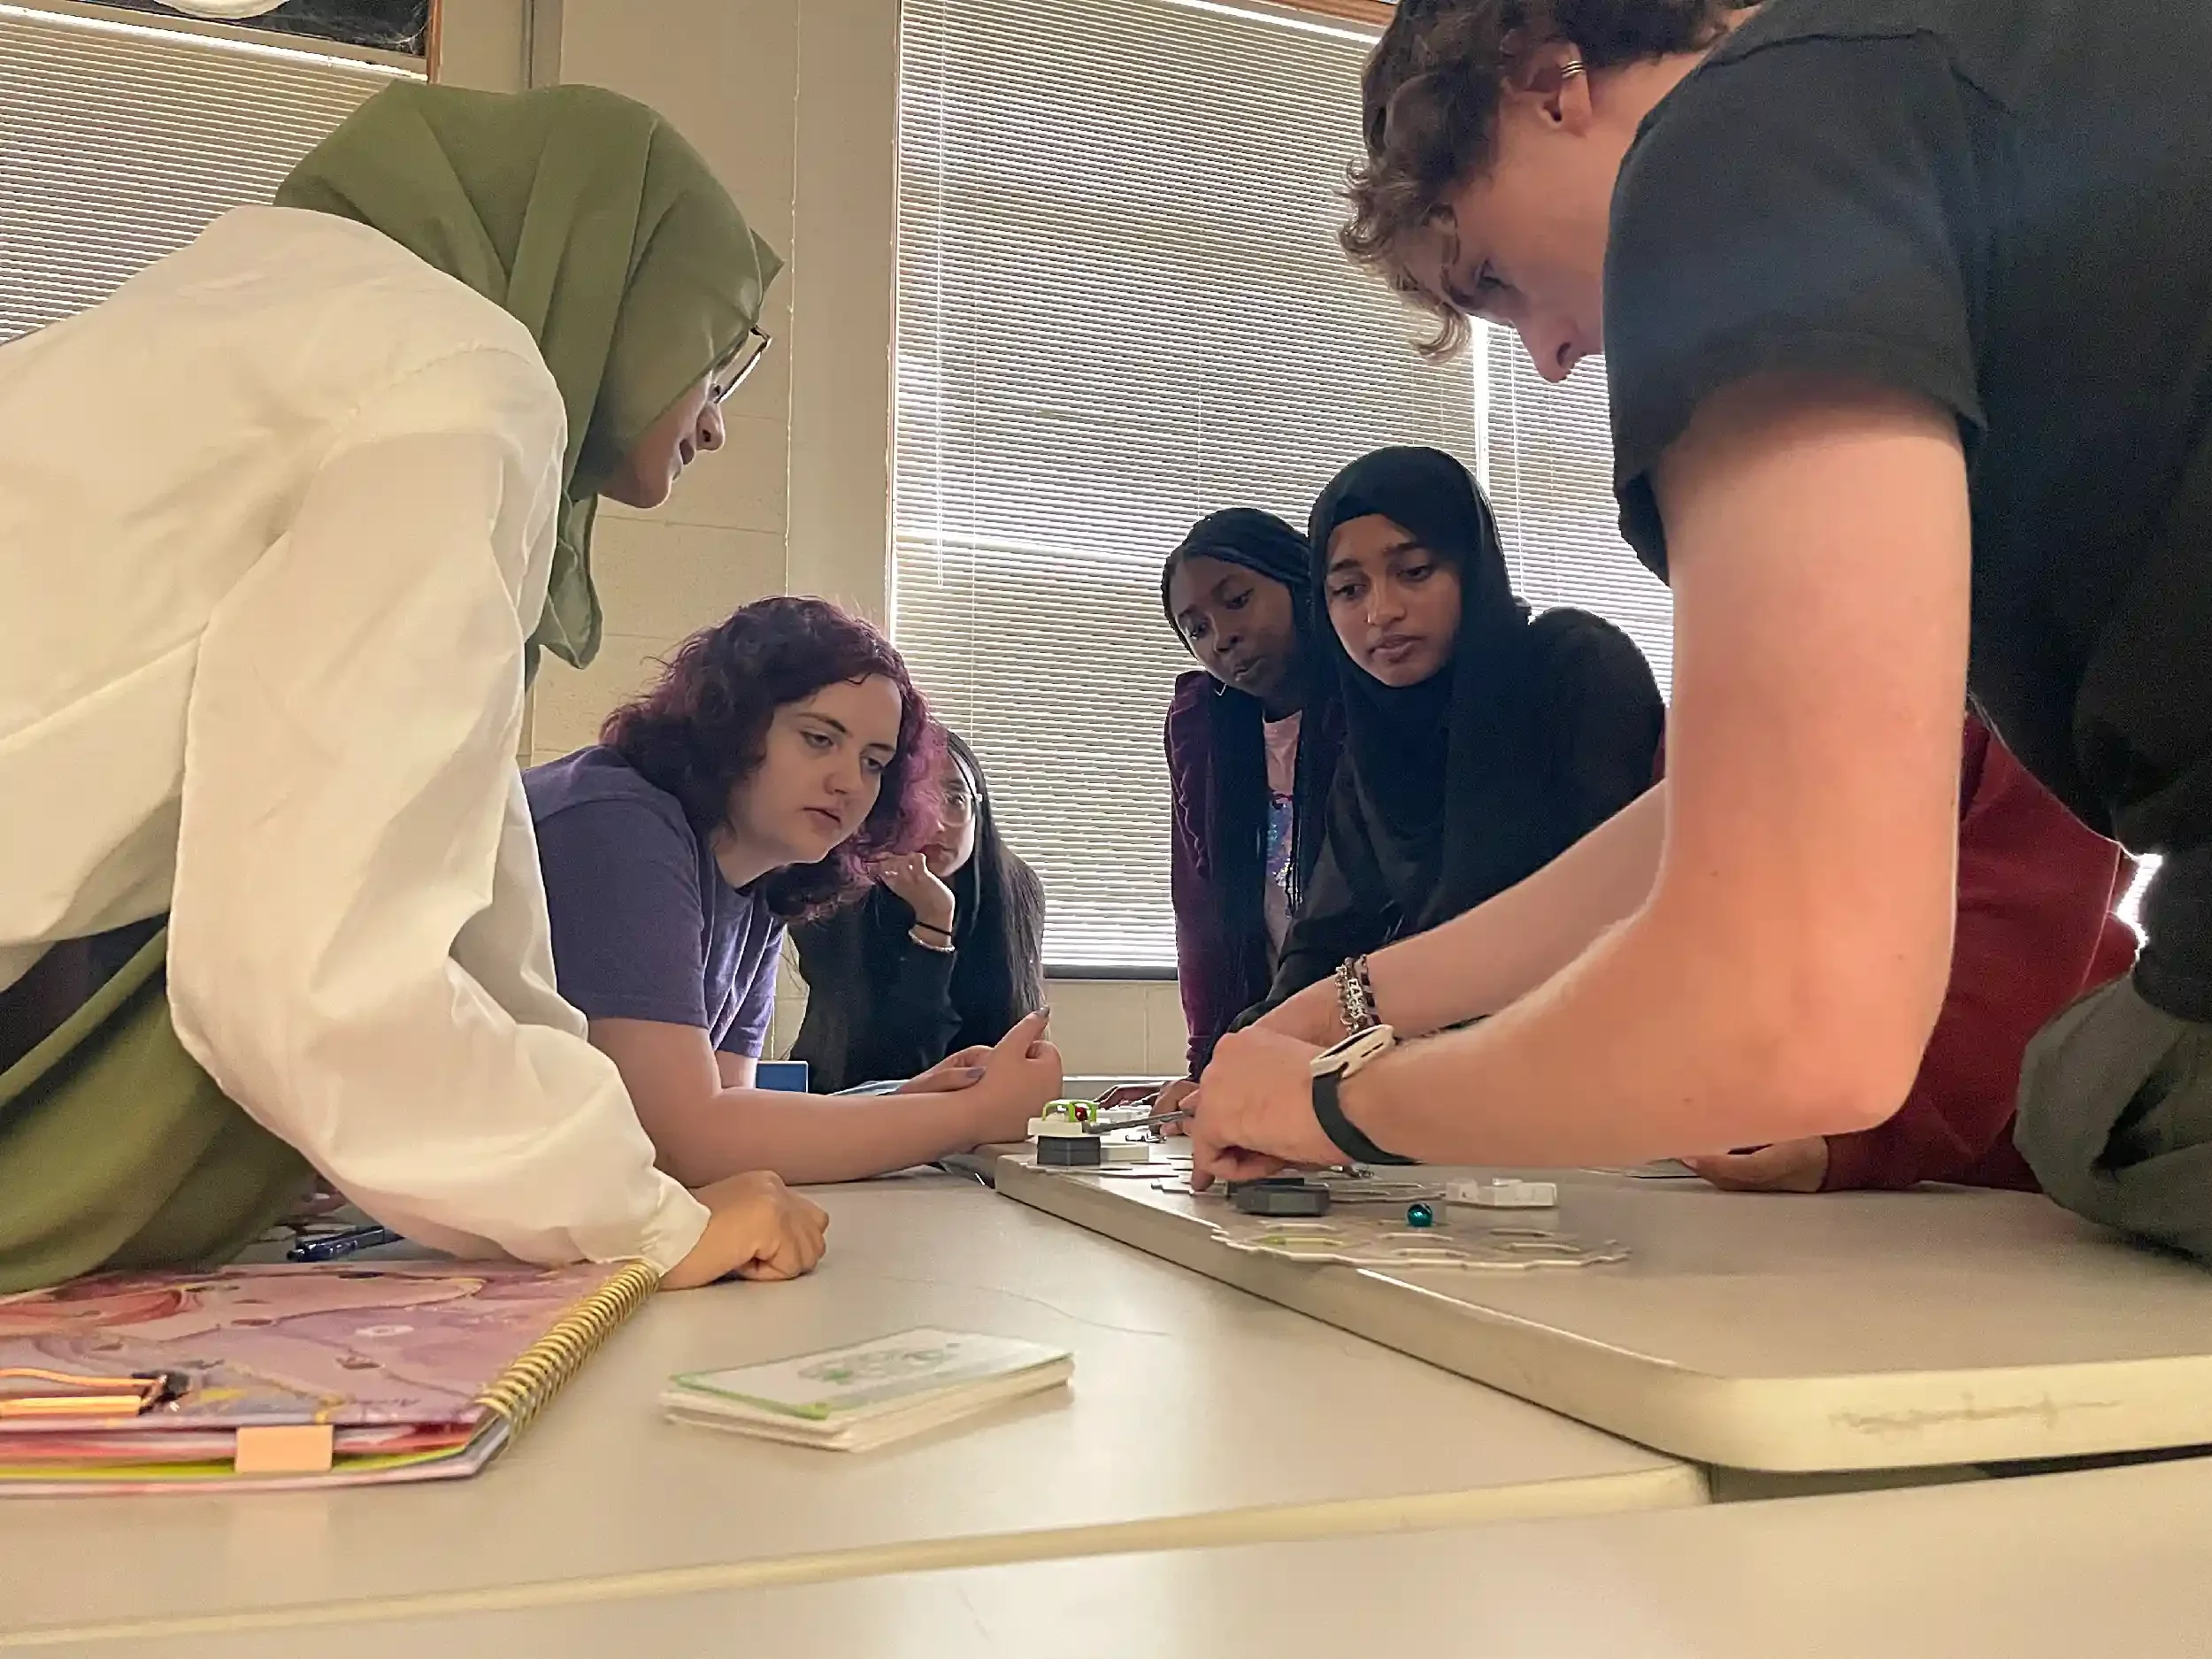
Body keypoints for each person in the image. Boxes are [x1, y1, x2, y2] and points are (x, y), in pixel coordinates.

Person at [1187, 0, 2212, 1262]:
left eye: (1497, 278)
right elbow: (1772, 790)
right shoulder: (1987, 104)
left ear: (1549, 80)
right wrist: (1355, 1003)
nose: (1554, 355)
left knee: (2092, 1099)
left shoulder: (1739, 130)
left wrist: (1340, 1108)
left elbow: (1792, 1009)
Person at [0, 81, 827, 1295]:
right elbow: (311, 971)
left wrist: (616, 1188)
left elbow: (462, 892)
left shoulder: (270, 316)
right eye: (723, 347)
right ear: (621, 267)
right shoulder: (456, 376)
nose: (717, 423)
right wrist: (637, 1217)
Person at [528, 598, 1064, 1187]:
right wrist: (972, 1114)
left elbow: (732, 1117)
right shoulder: (616, 819)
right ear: (731, 719)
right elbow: (685, 1142)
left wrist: (905, 1103)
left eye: (874, 761)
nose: (850, 783)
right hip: (423, 1225)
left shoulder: (764, 882)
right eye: (817, 738)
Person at [1263, 446, 1663, 1020]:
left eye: (1415, 571)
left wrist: (1352, 1007)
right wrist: (1240, 1054)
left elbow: (1588, 910)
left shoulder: (1573, 666)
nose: (1381, 612)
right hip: (1434, 1054)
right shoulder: (1372, 749)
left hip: (1598, 1036)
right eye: (1349, 590)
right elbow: (1323, 937)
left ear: (1471, 567)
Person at [1688, 717, 2139, 1193]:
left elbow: (2025, 913)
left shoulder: (2015, 672)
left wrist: (1883, 1134)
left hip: (1993, 1143)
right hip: (1794, 1129)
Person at [1160, 509, 1345, 1080]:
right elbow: (1201, 915)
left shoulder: (1373, 699)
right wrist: (1207, 1068)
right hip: (1269, 1036)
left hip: (1379, 1025)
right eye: (1196, 628)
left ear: (1297, 581)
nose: (1222, 638)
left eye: (1236, 600)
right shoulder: (1203, 728)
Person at [789, 726, 1048, 1094]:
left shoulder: (1014, 888)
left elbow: (1013, 1038)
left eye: (955, 799)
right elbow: (891, 1073)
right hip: (849, 1113)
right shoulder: (836, 889)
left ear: (979, 810)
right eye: (915, 802)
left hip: (979, 1124)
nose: (937, 823)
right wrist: (933, 924)